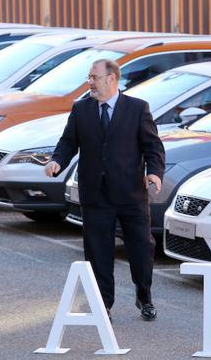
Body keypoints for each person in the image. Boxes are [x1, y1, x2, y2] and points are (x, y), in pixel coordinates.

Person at [45, 59, 165, 321]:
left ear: (111, 79)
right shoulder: (81, 109)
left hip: (131, 193)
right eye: (88, 77)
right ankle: (103, 305)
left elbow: (152, 147)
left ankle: (144, 295)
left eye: (94, 77)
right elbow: (68, 142)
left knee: (142, 249)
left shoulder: (137, 108)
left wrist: (154, 172)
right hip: (96, 195)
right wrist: (57, 160)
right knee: (98, 253)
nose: (90, 83)